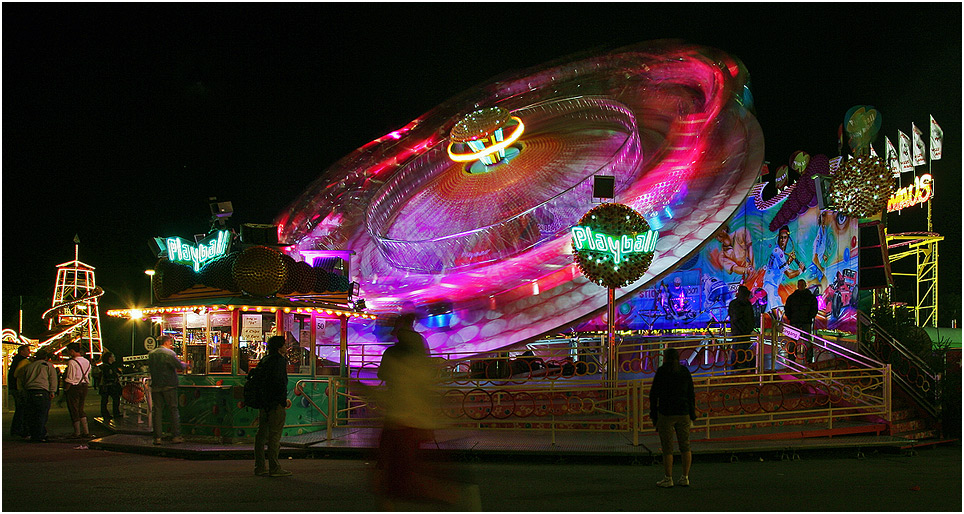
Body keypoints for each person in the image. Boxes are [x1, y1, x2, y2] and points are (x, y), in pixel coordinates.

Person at [372, 313, 471, 510]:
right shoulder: (421, 352)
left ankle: (448, 498)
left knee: (395, 470)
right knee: (403, 468)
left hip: (398, 419)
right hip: (413, 418)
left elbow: (382, 375)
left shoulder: (393, 354)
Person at [649, 347, 697, 488]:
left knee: (667, 448)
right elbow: (691, 394)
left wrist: (654, 414)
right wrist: (692, 414)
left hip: (666, 413)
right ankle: (685, 477)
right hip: (683, 412)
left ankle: (668, 478)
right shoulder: (684, 371)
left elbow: (654, 395)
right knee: (685, 445)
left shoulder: (662, 372)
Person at [254, 335, 291, 477]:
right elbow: (280, 383)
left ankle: (260, 466)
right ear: (279, 347)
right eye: (284, 344)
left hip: (264, 403)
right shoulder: (279, 361)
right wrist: (282, 401)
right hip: (275, 403)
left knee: (261, 435)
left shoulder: (265, 360)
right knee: (274, 436)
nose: (286, 347)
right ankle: (274, 467)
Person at [148, 335, 187, 444]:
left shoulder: (151, 354)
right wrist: (187, 364)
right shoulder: (170, 354)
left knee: (157, 411)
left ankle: (157, 438)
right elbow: (179, 366)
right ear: (167, 342)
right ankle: (176, 435)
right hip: (169, 385)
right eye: (170, 342)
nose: (171, 344)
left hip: (156, 386)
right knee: (173, 410)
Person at [763, 225, 803, 319]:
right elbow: (789, 274)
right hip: (770, 289)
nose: (782, 240)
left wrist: (789, 261)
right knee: (777, 319)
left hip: (772, 288)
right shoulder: (778, 252)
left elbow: (780, 269)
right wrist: (800, 270)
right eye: (781, 237)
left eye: (785, 238)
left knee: (778, 319)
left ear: (788, 239)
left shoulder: (779, 252)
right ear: (778, 238)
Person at [19, 349, 58, 443]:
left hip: (30, 391)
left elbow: (23, 379)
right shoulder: (48, 366)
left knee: (32, 414)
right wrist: (52, 391)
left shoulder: (29, 366)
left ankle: (33, 433)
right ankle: (40, 434)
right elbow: (53, 379)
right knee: (42, 414)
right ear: (46, 357)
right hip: (42, 390)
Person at [784, 279, 819, 364]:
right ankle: (791, 359)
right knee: (793, 341)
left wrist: (810, 316)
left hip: (805, 321)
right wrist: (790, 317)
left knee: (807, 341)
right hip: (796, 321)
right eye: (799, 284)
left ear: (805, 285)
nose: (801, 286)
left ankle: (808, 360)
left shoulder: (809, 297)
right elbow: (787, 308)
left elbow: (814, 308)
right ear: (798, 285)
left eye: (802, 284)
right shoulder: (793, 297)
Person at [64, 342, 93, 438]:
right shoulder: (87, 361)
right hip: (84, 386)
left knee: (74, 409)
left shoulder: (72, 362)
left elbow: (70, 378)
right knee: (81, 408)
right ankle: (86, 431)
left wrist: (66, 389)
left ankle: (77, 432)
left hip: (74, 387)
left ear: (72, 351)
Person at [727, 285, 756, 370]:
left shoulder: (741, 303)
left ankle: (740, 364)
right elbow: (737, 319)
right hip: (740, 331)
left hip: (742, 330)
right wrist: (747, 328)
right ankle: (739, 364)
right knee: (739, 348)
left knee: (741, 348)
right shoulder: (742, 304)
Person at [8, 345, 31, 438]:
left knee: (19, 409)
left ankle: (15, 429)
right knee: (22, 409)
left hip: (14, 387)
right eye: (27, 350)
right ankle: (19, 429)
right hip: (19, 388)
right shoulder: (23, 361)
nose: (29, 352)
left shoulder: (16, 360)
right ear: (22, 351)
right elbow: (16, 374)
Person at [98, 351, 122, 421]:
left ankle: (106, 414)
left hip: (106, 386)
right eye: (113, 356)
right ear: (109, 358)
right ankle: (114, 413)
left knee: (105, 400)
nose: (114, 358)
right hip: (109, 386)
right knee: (114, 399)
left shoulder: (106, 366)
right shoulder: (107, 367)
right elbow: (110, 376)